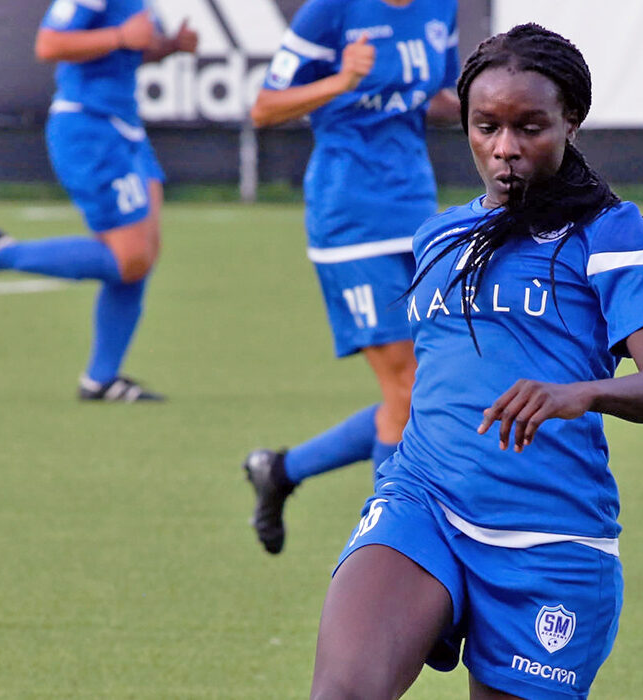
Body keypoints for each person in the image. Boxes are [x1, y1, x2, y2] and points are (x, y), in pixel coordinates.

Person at [308, 23, 643, 699]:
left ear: (570, 122)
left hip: (549, 536)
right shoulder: (438, 237)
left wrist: (581, 392)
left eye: (529, 127)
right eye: (486, 126)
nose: (504, 149)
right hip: (422, 502)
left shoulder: (607, 232)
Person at [242, 0, 462, 555]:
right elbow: (264, 107)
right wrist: (342, 79)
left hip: (416, 211)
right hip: (351, 219)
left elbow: (437, 96)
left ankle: (283, 470)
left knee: (434, 386)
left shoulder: (442, 8)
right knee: (408, 388)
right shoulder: (330, 12)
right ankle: (397, 548)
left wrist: (490, 103)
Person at [0, 0, 197, 402]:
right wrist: (120, 36)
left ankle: (101, 379)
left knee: (143, 253)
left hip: (125, 128)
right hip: (88, 129)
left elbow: (125, 52)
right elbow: (49, 44)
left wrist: (168, 48)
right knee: (129, 258)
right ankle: (1, 254)